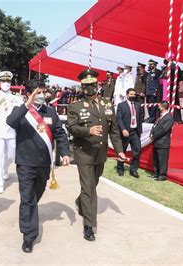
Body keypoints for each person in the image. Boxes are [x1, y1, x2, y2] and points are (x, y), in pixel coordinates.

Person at [6, 79, 70, 253]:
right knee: (27, 197)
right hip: (26, 162)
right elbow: (10, 122)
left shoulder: (51, 112)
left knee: (36, 194)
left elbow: (60, 133)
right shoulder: (20, 111)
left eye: (42, 92)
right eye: (37, 92)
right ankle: (28, 235)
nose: (41, 95)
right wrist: (27, 104)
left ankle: (28, 214)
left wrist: (65, 152)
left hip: (44, 163)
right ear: (28, 94)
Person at [67, 68, 126, 242]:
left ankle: (80, 201)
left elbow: (114, 131)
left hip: (100, 153)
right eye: (86, 86)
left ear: (97, 85)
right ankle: (89, 225)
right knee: (89, 189)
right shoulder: (75, 106)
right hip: (84, 152)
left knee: (93, 184)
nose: (90, 88)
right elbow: (72, 128)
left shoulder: (107, 104)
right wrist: (88, 130)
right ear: (82, 87)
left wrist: (120, 150)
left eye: (92, 85)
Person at [116, 88, 143, 178]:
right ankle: (120, 169)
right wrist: (123, 129)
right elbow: (119, 118)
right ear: (127, 95)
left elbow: (140, 118)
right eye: (131, 94)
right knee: (122, 151)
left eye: (134, 95)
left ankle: (133, 170)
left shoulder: (138, 105)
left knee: (137, 151)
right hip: (125, 132)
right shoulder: (121, 105)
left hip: (135, 132)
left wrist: (140, 131)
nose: (133, 96)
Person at [149, 101, 174, 181]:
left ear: (163, 107)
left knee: (162, 160)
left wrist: (154, 136)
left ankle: (162, 175)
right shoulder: (160, 116)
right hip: (156, 141)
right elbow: (154, 126)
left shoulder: (169, 117)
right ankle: (156, 173)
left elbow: (164, 130)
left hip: (163, 142)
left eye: (159, 106)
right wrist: (151, 134)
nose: (158, 107)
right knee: (156, 159)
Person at [160, 52, 182, 122]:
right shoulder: (166, 67)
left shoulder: (174, 66)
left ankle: (175, 118)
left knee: (173, 102)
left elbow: (179, 78)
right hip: (165, 87)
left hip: (171, 87)